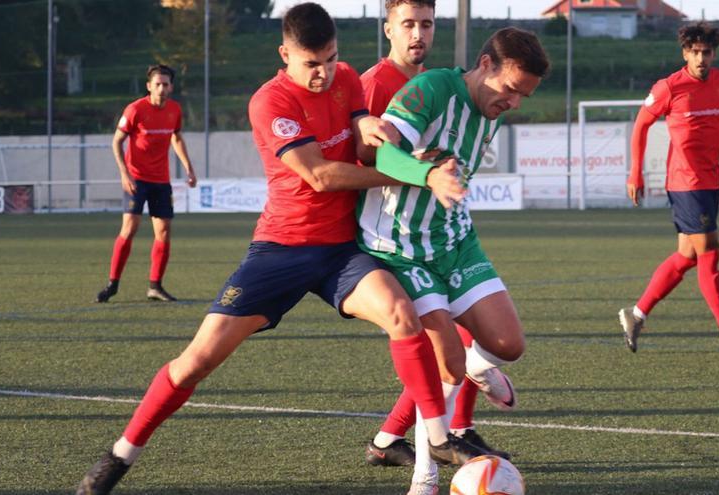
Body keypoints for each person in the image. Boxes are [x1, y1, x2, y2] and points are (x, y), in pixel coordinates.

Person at [76, 4, 485, 494]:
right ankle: (119, 456)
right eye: (312, 64)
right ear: (284, 54)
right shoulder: (269, 102)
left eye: (331, 60)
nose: (324, 73)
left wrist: (382, 136)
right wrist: (410, 175)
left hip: (340, 252)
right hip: (281, 250)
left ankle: (436, 437)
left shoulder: (348, 78)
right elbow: (320, 174)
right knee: (197, 361)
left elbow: (361, 133)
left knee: (402, 313)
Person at [357, 26, 549, 495]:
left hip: (455, 240)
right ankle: (425, 472)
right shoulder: (430, 89)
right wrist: (427, 175)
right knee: (445, 360)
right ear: (485, 66)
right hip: (400, 246)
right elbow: (383, 155)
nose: (514, 103)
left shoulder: (492, 108)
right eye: (510, 90)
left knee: (508, 344)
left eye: (523, 95)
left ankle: (479, 368)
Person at [619, 22, 719, 355]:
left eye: (707, 52)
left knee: (687, 256)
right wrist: (635, 173)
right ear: (685, 52)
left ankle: (636, 314)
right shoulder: (668, 88)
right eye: (695, 52)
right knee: (710, 252)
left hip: (710, 179)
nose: (701, 58)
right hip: (685, 182)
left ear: (714, 53)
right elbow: (641, 126)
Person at [95, 64, 197, 303]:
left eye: (166, 84)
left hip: (161, 180)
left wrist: (189, 168)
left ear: (171, 86)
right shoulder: (135, 110)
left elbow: (176, 137)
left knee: (163, 231)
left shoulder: (174, 110)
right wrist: (124, 174)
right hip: (137, 178)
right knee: (129, 228)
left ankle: (155, 286)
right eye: (157, 84)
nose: (162, 88)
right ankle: (113, 284)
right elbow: (117, 142)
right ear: (149, 86)